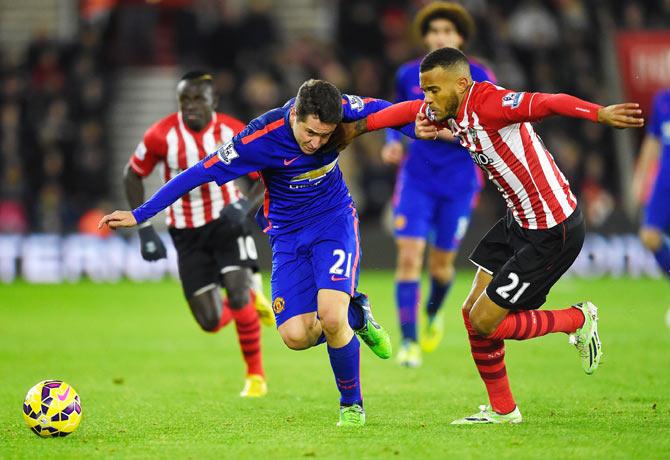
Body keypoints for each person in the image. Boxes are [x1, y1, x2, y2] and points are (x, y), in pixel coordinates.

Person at [350, 47, 643, 423]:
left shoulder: (491, 102)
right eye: (425, 90)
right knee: (472, 314)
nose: (428, 99)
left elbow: (548, 102)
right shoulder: (447, 109)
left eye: (434, 90)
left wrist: (598, 113)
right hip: (518, 220)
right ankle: (504, 410)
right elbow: (404, 112)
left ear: (461, 82)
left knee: (487, 321)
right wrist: (357, 127)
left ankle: (578, 319)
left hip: (552, 228)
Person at [99, 79, 408, 427]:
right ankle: (358, 315)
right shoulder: (258, 138)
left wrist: (426, 127)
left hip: (332, 222)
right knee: (295, 336)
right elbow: (196, 173)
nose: (318, 143)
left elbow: (391, 111)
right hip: (287, 236)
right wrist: (140, 214)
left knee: (330, 317)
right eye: (310, 133)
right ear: (296, 114)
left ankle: (351, 406)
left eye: (326, 136)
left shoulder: (341, 107)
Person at [123, 71, 275, 398]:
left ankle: (256, 376)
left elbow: (268, 172)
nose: (190, 106)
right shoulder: (161, 135)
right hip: (185, 232)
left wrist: (245, 208)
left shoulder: (232, 131)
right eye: (184, 100)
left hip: (226, 221)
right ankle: (248, 300)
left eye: (197, 99)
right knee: (209, 321)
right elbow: (132, 175)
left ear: (213, 102)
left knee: (234, 290)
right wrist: (145, 229)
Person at [383, 1, 495, 367]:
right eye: (433, 31)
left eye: (447, 31)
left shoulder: (480, 77)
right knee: (409, 257)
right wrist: (392, 144)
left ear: (460, 38)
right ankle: (409, 341)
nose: (439, 37)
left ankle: (433, 313)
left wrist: (449, 132)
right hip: (416, 180)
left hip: (459, 184)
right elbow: (397, 116)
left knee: (441, 267)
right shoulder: (407, 75)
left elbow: (488, 129)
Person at [633, 88, 670, 277]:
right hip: (665, 182)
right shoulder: (662, 101)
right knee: (649, 236)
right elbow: (652, 141)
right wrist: (641, 177)